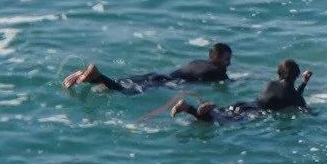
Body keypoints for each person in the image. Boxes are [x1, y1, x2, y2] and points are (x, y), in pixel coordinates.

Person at [165, 59, 312, 124]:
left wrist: (302, 83)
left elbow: (289, 91)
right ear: (296, 76)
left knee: (218, 116)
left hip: (245, 105)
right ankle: (192, 108)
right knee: (220, 122)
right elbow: (301, 103)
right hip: (255, 113)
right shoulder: (293, 95)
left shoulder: (271, 84)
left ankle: (187, 107)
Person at [64, 42, 232, 93]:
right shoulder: (218, 72)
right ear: (215, 58)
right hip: (166, 83)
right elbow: (225, 85)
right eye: (226, 60)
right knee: (126, 91)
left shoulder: (197, 62)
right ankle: (97, 75)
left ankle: (85, 76)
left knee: (121, 83)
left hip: (159, 75)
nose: (228, 63)